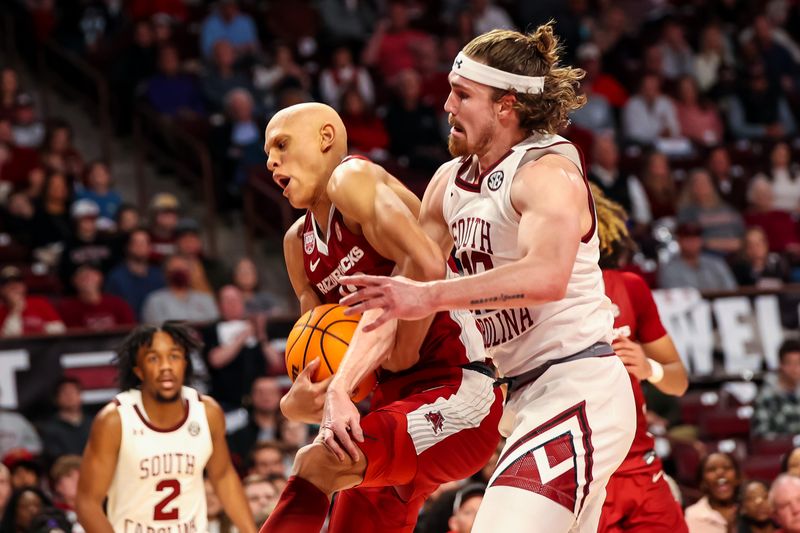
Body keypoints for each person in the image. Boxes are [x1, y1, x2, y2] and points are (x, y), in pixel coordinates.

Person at [340, 25, 636, 532]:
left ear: (507, 107)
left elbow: (546, 276)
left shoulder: (548, 173)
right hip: (520, 398)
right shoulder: (448, 183)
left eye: (463, 95)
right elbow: (399, 297)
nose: (448, 106)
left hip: (577, 385)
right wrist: (340, 389)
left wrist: (428, 295)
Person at [260, 102, 502, 532]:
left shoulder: (351, 179)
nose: (271, 161)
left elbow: (426, 262)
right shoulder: (297, 245)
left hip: (458, 388)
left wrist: (394, 356)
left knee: (315, 462)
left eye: (281, 144)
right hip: (393, 406)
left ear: (325, 138)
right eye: (266, 153)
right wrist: (296, 402)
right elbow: (329, 369)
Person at [75, 323, 256, 533]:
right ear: (139, 371)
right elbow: (86, 503)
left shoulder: (207, 412)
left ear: (185, 364)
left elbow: (223, 476)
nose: (165, 366)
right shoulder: (115, 420)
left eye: (174, 356)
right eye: (153, 358)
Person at [590, 187, 689, 532]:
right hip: (580, 475)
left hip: (637, 467)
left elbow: (679, 381)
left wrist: (651, 368)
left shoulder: (628, 286)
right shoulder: (536, 292)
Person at [141, 254, 219, 324]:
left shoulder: (205, 299)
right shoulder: (155, 301)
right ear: (166, 273)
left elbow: (214, 324)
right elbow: (155, 328)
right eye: (176, 270)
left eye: (184, 270)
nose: (180, 274)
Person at [36, 377, 93, 462]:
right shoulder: (48, 428)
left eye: (73, 392)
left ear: (80, 396)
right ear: (56, 398)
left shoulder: (93, 423)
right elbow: (54, 457)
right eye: (65, 393)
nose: (70, 396)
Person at [752, 340, 800, 438]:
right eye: (791, 363)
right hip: (778, 451)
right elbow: (762, 435)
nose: (795, 369)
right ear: (781, 365)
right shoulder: (766, 396)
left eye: (799, 363)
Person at [684, 452, 741, 533]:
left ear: (738, 477)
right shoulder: (691, 516)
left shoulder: (751, 509)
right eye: (711, 469)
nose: (720, 473)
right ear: (702, 482)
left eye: (727, 468)